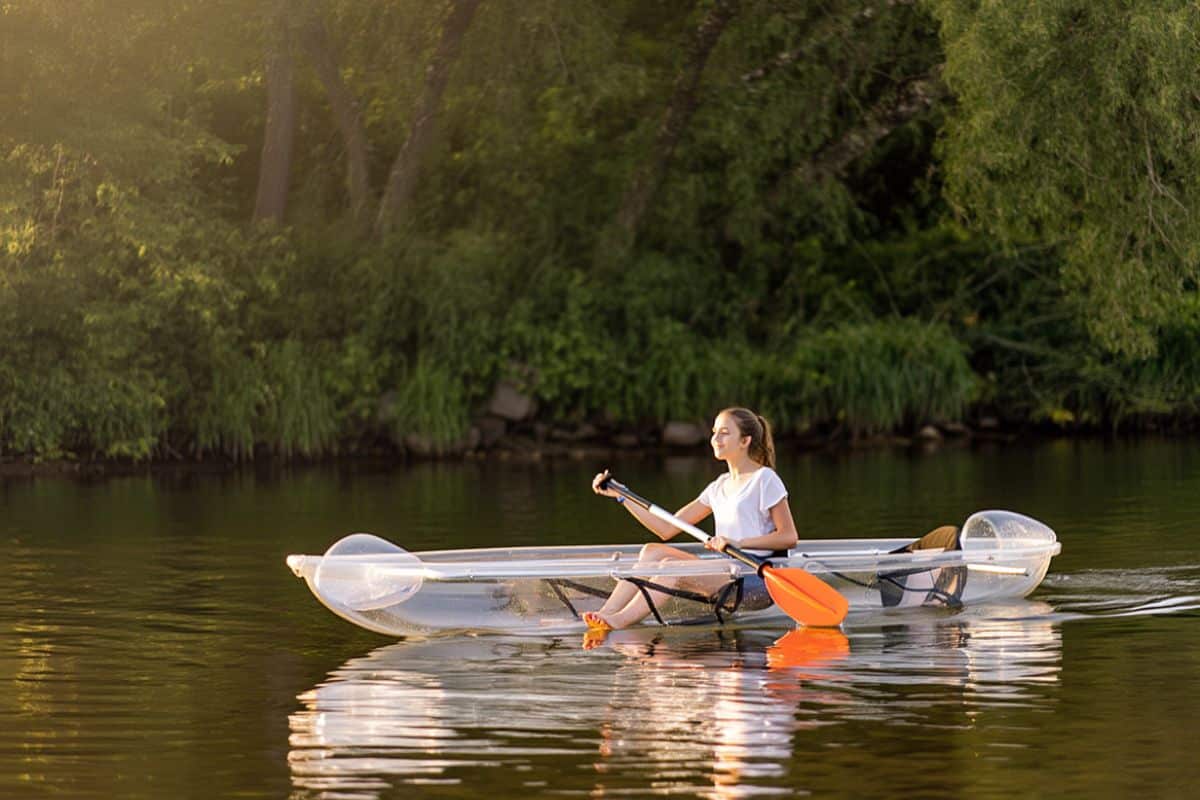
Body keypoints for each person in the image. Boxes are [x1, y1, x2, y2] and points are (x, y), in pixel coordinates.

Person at [584, 407, 799, 632]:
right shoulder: (718, 486)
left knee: (672, 567)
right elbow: (666, 528)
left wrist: (739, 543)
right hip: (725, 571)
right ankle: (606, 613)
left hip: (755, 578)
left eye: (724, 433)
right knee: (652, 551)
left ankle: (619, 621)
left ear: (745, 441)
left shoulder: (765, 479)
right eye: (714, 432)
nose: (715, 438)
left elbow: (788, 537)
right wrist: (622, 495)